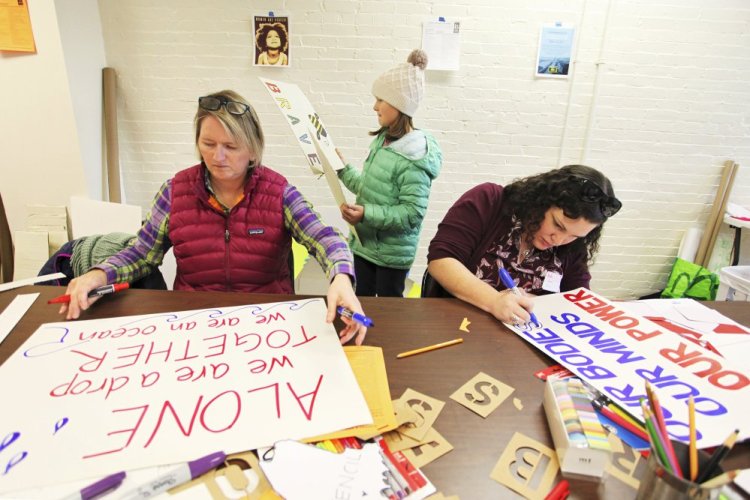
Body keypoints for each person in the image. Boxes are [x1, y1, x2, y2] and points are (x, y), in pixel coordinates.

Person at [60, 90, 367, 345]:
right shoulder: (174, 192)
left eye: (231, 147)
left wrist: (341, 277)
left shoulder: (278, 192)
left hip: (266, 325)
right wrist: (99, 274)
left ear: (253, 150)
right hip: (194, 328)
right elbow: (142, 253)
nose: (217, 157)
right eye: (208, 144)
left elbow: (325, 237)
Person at [426, 165, 621, 325]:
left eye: (574, 236)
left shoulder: (572, 246)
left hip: (520, 344)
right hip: (456, 327)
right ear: (542, 201)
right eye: (557, 225)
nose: (559, 240)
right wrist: (494, 301)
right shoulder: (489, 201)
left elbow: (576, 299)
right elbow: (442, 261)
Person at [336, 49, 442, 297]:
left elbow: (411, 214)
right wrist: (342, 169)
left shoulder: (414, 156)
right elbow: (371, 188)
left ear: (399, 104)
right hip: (365, 246)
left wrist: (366, 213)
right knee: (362, 301)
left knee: (389, 311)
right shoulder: (383, 140)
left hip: (391, 256)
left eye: (380, 99)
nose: (375, 106)